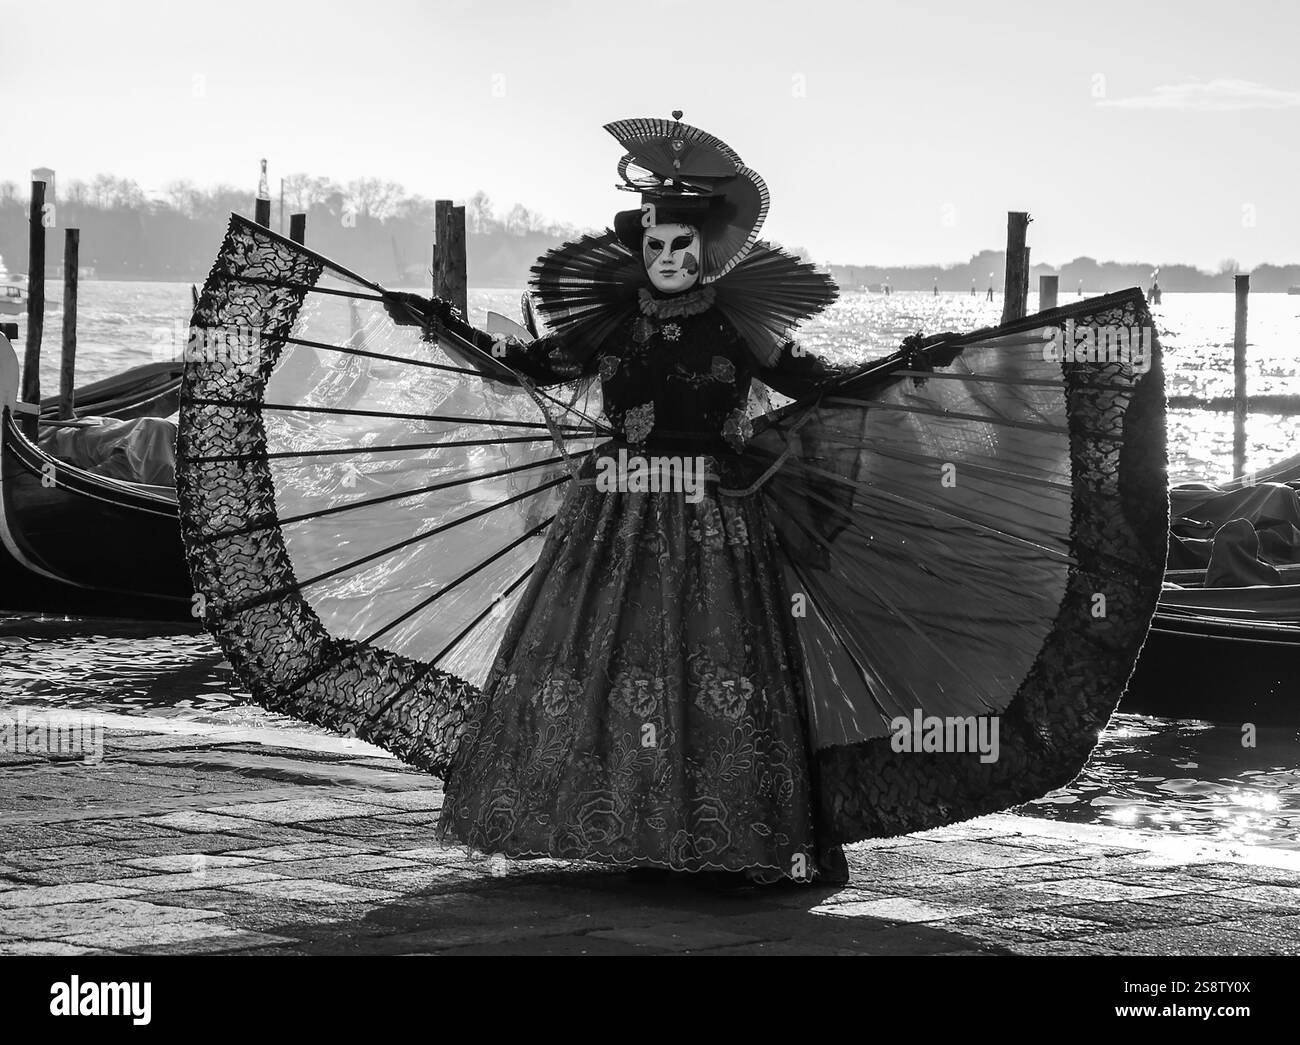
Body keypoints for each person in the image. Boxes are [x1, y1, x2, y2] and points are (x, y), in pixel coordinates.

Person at [177, 114, 1169, 892]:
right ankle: (632, 828)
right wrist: (432, 325)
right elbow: (522, 368)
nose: (667, 254)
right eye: (655, 238)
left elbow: (815, 383)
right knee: (616, 675)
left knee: (716, 680)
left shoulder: (739, 328)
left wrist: (908, 364)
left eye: (680, 240)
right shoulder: (610, 322)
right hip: (611, 519)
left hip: (718, 521)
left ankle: (733, 839)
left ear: (702, 248)